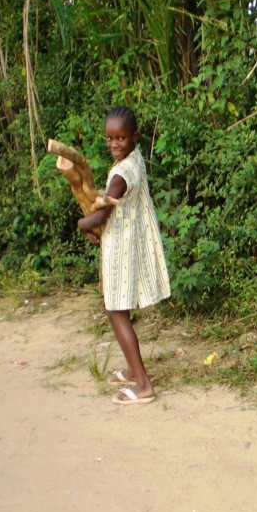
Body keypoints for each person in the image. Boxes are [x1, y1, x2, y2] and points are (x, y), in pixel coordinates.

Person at [78, 106, 171, 406]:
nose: (114, 144)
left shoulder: (122, 173)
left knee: (116, 311)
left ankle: (143, 384)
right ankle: (133, 370)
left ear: (134, 136)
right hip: (128, 242)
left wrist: (83, 224)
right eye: (109, 138)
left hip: (123, 248)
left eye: (120, 138)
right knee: (117, 309)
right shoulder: (135, 160)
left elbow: (102, 212)